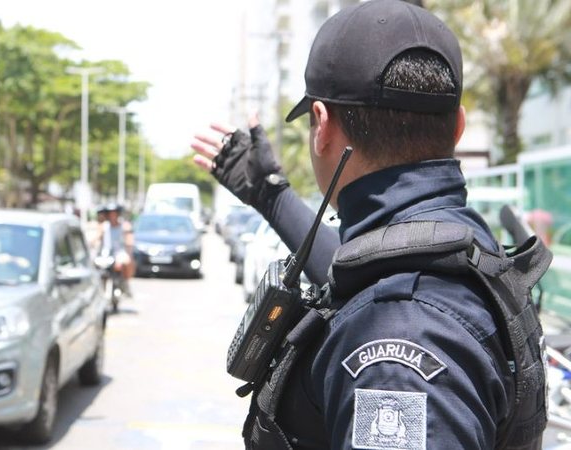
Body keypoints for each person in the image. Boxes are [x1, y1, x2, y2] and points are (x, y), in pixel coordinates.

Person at [191, 1, 549, 449]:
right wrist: (271, 195)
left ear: (321, 125)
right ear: (457, 126)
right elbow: (358, 275)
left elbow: (392, 302)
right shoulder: (456, 248)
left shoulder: (400, 341)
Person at [95, 203, 135, 294]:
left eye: (114, 213)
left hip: (119, 253)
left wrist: (129, 250)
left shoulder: (124, 226)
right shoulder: (103, 226)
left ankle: (125, 283)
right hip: (106, 253)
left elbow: (129, 240)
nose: (112, 216)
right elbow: (97, 239)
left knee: (126, 262)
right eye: (110, 213)